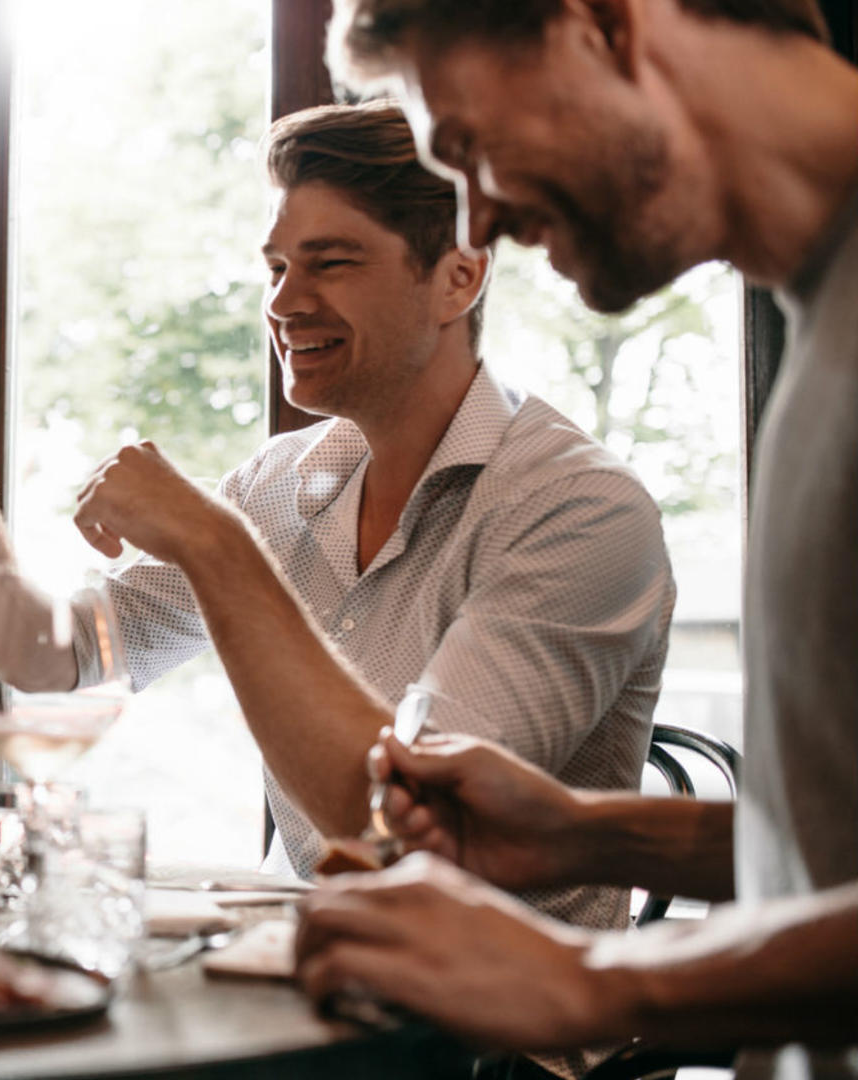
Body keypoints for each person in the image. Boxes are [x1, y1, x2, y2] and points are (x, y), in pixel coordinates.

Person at [0, 104, 673, 926]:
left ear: (459, 276)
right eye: (276, 268)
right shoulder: (280, 482)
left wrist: (209, 539)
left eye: (330, 263)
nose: (283, 302)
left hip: (502, 1030)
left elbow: (412, 829)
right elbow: (48, 664)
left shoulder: (581, 510)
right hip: (314, 969)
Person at [293, 0, 858, 1075]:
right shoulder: (818, 321)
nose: (481, 219)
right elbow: (831, 859)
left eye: (467, 145)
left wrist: (599, 981)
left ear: (601, 24)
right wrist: (589, 833)